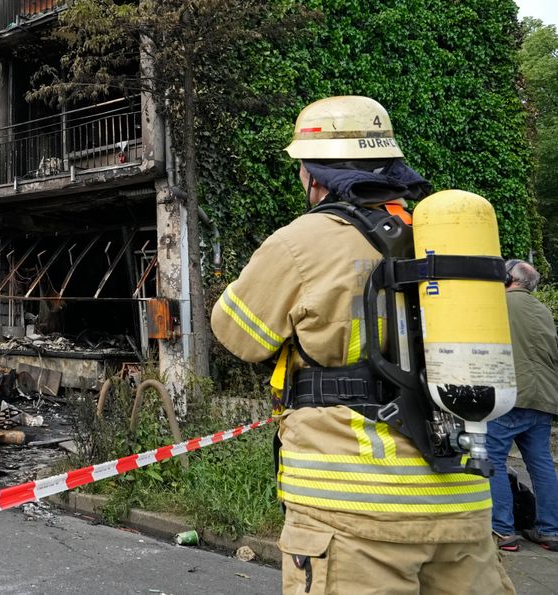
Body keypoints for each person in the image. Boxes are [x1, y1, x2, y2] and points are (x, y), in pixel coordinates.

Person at [211, 96, 514, 594]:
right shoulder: (442, 239)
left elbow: (238, 335)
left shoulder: (302, 241)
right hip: (461, 503)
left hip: (353, 510)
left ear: (313, 176)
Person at [486, 259, 558, 552]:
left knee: (492, 458)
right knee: (541, 464)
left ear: (506, 279)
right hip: (544, 398)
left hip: (512, 396)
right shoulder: (542, 310)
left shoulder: (498, 306)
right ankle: (550, 530)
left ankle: (503, 530)